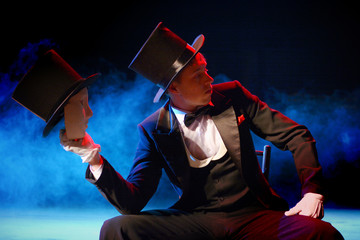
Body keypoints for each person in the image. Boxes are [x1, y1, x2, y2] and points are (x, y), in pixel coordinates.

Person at [60, 22, 343, 239]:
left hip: (253, 215)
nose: (209, 78)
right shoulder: (152, 128)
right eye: (198, 75)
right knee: (117, 228)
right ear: (173, 88)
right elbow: (132, 202)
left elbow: (296, 135)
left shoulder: (233, 96)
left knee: (323, 234)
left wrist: (312, 193)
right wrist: (92, 158)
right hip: (195, 219)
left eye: (206, 69)